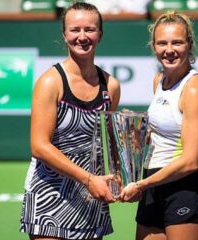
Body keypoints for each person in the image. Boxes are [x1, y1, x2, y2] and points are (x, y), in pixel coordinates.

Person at [19, 2, 121, 240]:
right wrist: (88, 179)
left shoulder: (111, 86)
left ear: (100, 34)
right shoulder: (50, 82)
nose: (82, 37)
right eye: (75, 30)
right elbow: (39, 146)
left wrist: (118, 175)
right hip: (50, 197)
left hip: (90, 200)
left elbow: (109, 139)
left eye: (90, 29)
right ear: (64, 34)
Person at [120, 11, 198, 240]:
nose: (169, 50)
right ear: (153, 46)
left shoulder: (195, 89)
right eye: (162, 43)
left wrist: (142, 184)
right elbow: (159, 133)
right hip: (154, 185)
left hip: (184, 188)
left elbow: (190, 161)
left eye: (177, 42)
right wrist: (136, 127)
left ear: (189, 44)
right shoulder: (159, 80)